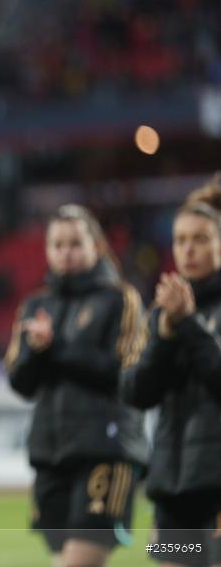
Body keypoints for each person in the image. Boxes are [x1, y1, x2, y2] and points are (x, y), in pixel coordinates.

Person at [4, 204, 147, 567]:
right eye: (58, 244)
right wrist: (36, 353)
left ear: (95, 246)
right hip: (52, 454)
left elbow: (123, 373)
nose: (65, 252)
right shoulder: (36, 304)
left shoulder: (120, 299)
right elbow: (21, 382)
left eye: (75, 243)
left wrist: (56, 347)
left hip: (106, 452)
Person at [120, 181, 221, 567]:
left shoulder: (183, 314)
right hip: (172, 486)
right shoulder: (160, 314)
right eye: (180, 240)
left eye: (200, 239)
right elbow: (134, 391)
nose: (188, 249)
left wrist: (190, 325)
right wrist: (164, 335)